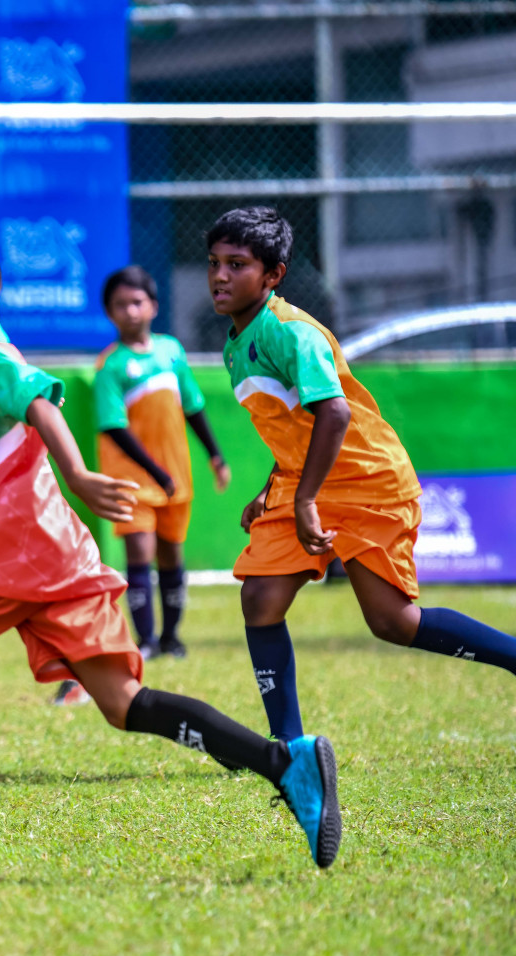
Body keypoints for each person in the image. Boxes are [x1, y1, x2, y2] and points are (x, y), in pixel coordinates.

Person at [0, 226, 341, 869]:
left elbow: (40, 398)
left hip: (14, 550)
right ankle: (286, 762)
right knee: (125, 707)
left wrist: (76, 474)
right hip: (55, 557)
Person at [209, 206, 516, 744]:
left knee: (393, 622)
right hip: (302, 482)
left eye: (237, 264)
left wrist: (303, 501)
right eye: (214, 263)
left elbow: (334, 413)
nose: (220, 276)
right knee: (259, 599)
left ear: (273, 275)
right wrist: (269, 491)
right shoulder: (237, 343)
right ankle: (289, 750)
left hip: (366, 481)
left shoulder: (291, 333)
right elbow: (290, 426)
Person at [94, 266, 231, 660]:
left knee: (171, 555)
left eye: (137, 302)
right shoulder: (111, 365)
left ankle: (172, 638)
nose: (130, 311)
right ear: (109, 312)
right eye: (120, 305)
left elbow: (193, 406)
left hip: (176, 478)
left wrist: (216, 455)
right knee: (140, 552)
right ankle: (147, 641)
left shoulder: (171, 351)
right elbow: (114, 427)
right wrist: (156, 473)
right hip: (134, 479)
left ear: (153, 306)